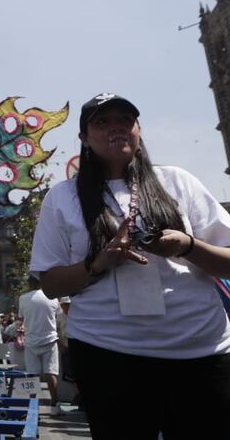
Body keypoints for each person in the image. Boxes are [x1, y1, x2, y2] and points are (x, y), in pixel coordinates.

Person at [30, 93, 230, 439]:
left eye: (126, 120)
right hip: (108, 353)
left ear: (139, 131)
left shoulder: (178, 181)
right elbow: (50, 283)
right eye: (102, 122)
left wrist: (189, 246)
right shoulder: (62, 197)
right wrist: (99, 263)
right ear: (83, 138)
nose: (117, 127)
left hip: (200, 350)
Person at [17, 275, 62, 415]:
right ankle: (55, 406)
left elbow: (21, 318)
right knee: (51, 373)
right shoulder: (53, 298)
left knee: (32, 375)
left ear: (29, 284)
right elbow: (58, 317)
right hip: (49, 339)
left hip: (31, 341)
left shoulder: (23, 298)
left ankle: (33, 407)